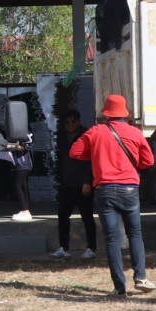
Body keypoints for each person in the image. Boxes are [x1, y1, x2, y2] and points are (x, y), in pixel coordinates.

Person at [69, 95, 156, 295]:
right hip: (130, 188)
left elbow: (74, 152)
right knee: (135, 234)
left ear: (106, 113)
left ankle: (119, 287)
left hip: (105, 189)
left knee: (112, 239)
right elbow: (148, 161)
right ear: (124, 113)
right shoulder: (135, 132)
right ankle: (140, 277)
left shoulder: (96, 131)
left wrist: (95, 154)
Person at [53, 110, 97, 260]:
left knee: (87, 216)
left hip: (83, 183)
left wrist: (88, 181)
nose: (70, 124)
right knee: (62, 215)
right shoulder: (62, 137)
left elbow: (91, 160)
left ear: (78, 121)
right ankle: (64, 248)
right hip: (67, 182)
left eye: (73, 121)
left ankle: (91, 248)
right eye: (67, 122)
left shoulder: (86, 135)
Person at [0, 131, 35, 222]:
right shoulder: (18, 133)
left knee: (17, 185)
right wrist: (9, 146)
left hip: (23, 164)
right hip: (21, 163)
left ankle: (24, 211)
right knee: (23, 186)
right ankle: (26, 210)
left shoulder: (25, 132)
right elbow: (18, 146)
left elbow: (25, 145)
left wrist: (15, 146)